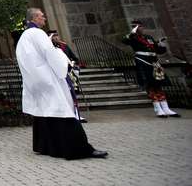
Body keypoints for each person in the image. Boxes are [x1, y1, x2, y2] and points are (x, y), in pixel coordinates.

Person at [16, 9, 107, 160]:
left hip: (36, 81)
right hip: (48, 80)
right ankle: (78, 149)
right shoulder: (38, 34)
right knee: (63, 111)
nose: (44, 18)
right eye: (42, 16)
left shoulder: (24, 37)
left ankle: (45, 146)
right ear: (35, 18)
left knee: (45, 112)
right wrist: (62, 64)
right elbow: (51, 53)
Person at [122, 20, 180, 118]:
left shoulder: (148, 37)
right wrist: (132, 33)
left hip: (154, 62)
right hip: (143, 61)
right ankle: (158, 108)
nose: (141, 28)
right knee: (150, 85)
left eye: (141, 26)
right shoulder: (132, 38)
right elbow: (124, 40)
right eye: (138, 27)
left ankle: (166, 108)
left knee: (158, 84)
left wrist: (161, 46)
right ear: (135, 28)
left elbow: (157, 50)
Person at [48, 30, 86, 122]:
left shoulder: (64, 46)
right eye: (53, 36)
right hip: (58, 75)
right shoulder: (49, 48)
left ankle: (76, 114)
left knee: (73, 94)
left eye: (57, 35)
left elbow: (74, 58)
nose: (56, 38)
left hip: (69, 73)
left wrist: (74, 65)